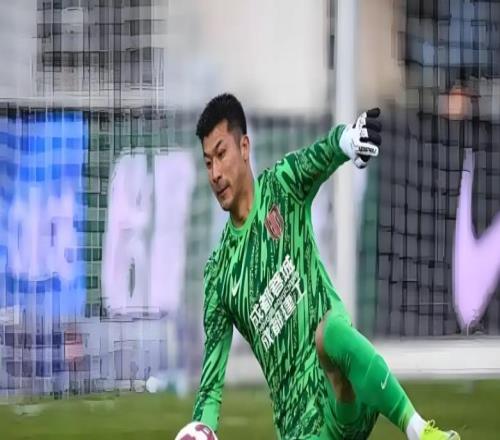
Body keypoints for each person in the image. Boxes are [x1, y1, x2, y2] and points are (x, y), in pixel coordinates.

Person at [183, 93, 460, 439]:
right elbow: (210, 388)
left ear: (244, 147)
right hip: (301, 428)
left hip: (346, 392)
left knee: (329, 333)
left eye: (221, 154)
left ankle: (420, 430)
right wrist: (200, 430)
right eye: (208, 162)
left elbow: (321, 155)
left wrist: (349, 139)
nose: (215, 173)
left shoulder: (281, 188)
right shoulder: (219, 274)